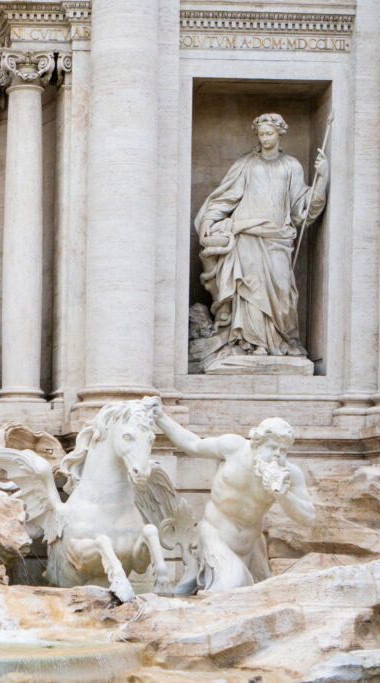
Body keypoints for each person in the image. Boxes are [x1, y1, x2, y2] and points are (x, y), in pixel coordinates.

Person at [194, 113, 328, 360]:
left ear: (280, 134)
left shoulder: (291, 166)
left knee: (282, 292)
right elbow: (226, 197)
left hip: (277, 237)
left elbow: (303, 209)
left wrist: (322, 179)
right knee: (249, 289)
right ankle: (251, 343)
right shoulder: (247, 164)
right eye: (261, 134)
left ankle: (283, 340)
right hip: (246, 235)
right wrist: (209, 220)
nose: (265, 138)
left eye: (270, 133)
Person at [150, 399, 315, 592]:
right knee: (230, 589)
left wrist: (282, 494)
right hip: (215, 538)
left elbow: (308, 518)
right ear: (257, 444)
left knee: (262, 597)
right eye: (272, 448)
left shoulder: (290, 474)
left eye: (284, 450)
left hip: (252, 547)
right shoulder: (233, 448)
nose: (278, 455)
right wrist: (160, 417)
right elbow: (192, 445)